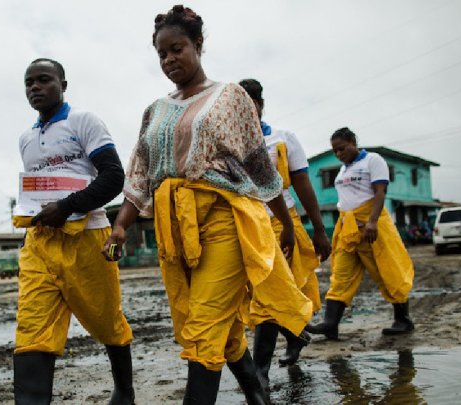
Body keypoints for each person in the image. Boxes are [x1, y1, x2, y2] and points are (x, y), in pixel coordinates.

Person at [103, 6, 312, 404]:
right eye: (161, 54)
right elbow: (141, 175)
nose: (168, 60)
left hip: (222, 224)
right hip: (174, 230)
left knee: (202, 328)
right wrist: (121, 225)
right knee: (219, 327)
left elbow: (260, 167)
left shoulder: (229, 96)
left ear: (198, 44)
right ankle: (257, 395)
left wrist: (284, 225)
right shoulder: (156, 110)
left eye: (176, 49)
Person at [12, 58, 134, 405]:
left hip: (87, 238)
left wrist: (66, 207)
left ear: (63, 84)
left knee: (107, 319)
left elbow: (113, 177)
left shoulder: (83, 121)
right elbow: (34, 195)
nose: (34, 87)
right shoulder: (26, 139)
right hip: (40, 244)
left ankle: (125, 392)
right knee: (32, 329)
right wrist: (27, 240)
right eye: (28, 83)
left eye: (43, 80)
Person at [239, 78, 331, 366]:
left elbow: (302, 183)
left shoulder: (282, 138)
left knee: (272, 291)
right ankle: (295, 336)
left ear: (261, 105)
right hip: (246, 225)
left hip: (282, 223)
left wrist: (318, 229)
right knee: (258, 293)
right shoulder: (228, 142)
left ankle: (261, 371)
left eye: (250, 104)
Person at [307, 127, 415, 340]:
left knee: (387, 270)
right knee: (341, 274)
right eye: (335, 151)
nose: (339, 154)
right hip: (348, 229)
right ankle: (330, 324)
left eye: (342, 149)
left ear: (353, 142)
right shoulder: (343, 170)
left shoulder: (373, 160)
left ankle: (403, 319)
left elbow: (380, 192)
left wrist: (372, 222)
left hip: (372, 227)